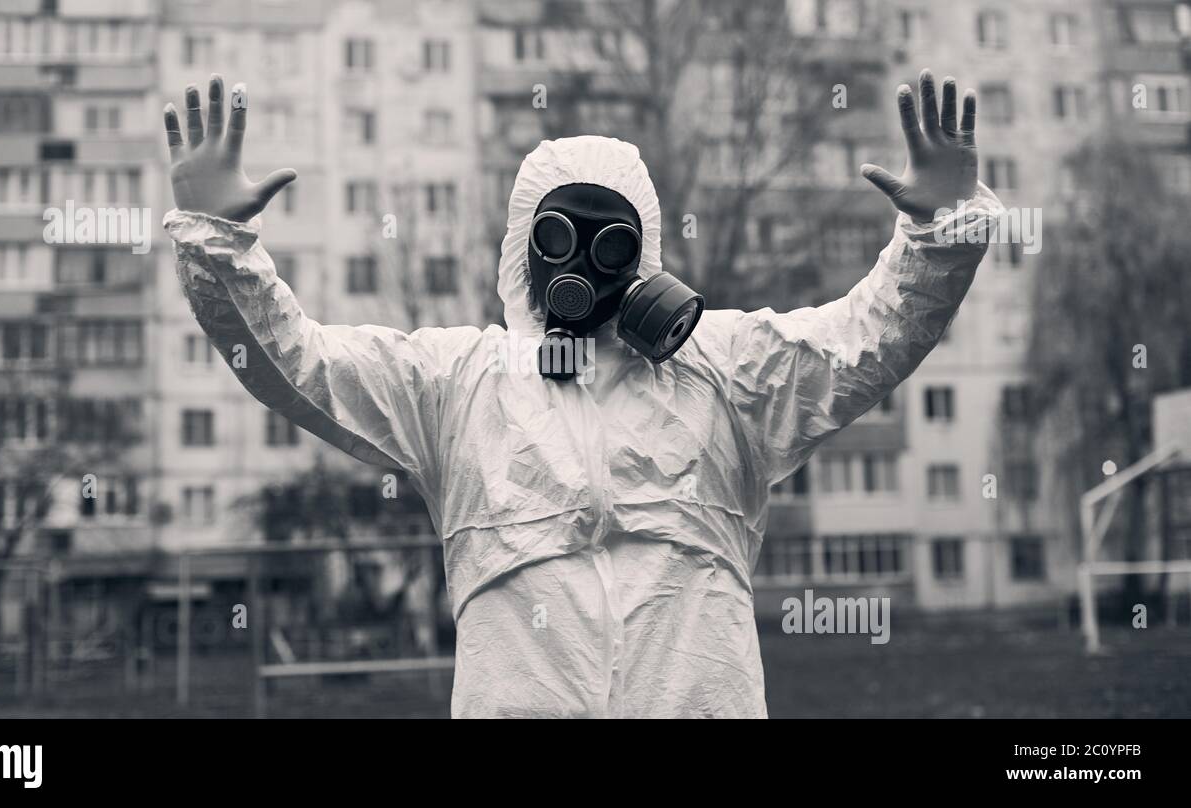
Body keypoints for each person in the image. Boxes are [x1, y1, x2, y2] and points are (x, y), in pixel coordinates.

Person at [162, 70, 1003, 718]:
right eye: (558, 236)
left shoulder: (725, 371)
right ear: (521, 247)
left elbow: (869, 339)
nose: (581, 264)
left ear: (646, 263)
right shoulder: (460, 385)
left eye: (611, 245)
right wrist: (218, 244)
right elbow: (297, 366)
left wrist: (936, 237)